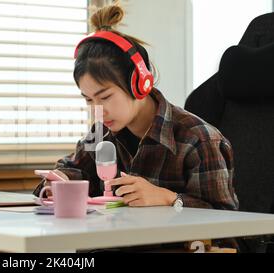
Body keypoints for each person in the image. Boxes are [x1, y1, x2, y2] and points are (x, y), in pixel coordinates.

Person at [33, 2, 239, 211]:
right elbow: (73, 169)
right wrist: (59, 181)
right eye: (89, 99)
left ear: (140, 84)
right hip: (110, 241)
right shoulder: (101, 134)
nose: (97, 110)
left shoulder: (198, 139)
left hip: (171, 244)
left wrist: (169, 198)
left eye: (105, 96)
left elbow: (228, 224)